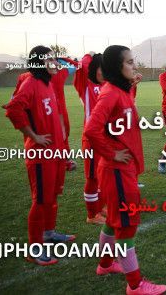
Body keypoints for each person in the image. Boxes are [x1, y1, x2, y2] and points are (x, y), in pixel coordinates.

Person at [84, 45, 166, 294]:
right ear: (116, 67)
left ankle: (106, 264)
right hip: (116, 170)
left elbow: (121, 113)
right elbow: (91, 129)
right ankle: (135, 285)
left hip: (122, 169)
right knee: (126, 224)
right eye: (130, 62)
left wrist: (132, 84)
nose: (135, 66)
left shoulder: (119, 91)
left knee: (113, 220)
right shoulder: (110, 93)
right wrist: (111, 153)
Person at [5, 45, 76, 266]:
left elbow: (53, 122)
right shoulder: (31, 83)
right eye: (49, 60)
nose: (55, 63)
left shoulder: (47, 85)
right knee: (41, 200)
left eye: (55, 59)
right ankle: (34, 249)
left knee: (52, 196)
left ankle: (48, 233)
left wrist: (64, 154)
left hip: (55, 154)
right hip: (40, 155)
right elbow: (13, 108)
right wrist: (33, 136)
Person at [73, 53, 107, 224]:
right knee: (92, 177)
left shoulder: (106, 85)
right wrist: (90, 55)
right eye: (102, 68)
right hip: (91, 139)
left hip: (105, 139)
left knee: (102, 174)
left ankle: (100, 207)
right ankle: (92, 214)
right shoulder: (85, 85)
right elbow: (82, 64)